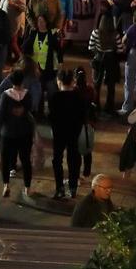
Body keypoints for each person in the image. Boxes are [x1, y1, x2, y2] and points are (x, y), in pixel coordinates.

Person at [48, 68, 89, 200]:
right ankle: (73, 188)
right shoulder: (78, 97)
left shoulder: (54, 97)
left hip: (59, 134)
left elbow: (51, 117)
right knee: (74, 159)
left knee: (57, 160)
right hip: (74, 133)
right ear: (73, 81)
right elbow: (83, 116)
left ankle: (59, 188)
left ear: (59, 81)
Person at [0, 69, 36, 200]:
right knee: (25, 160)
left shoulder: (5, 95)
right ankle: (27, 187)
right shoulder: (27, 95)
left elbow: (0, 115)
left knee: (5, 160)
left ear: (11, 81)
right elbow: (30, 109)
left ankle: (6, 185)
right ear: (22, 81)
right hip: (25, 132)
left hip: (8, 133)